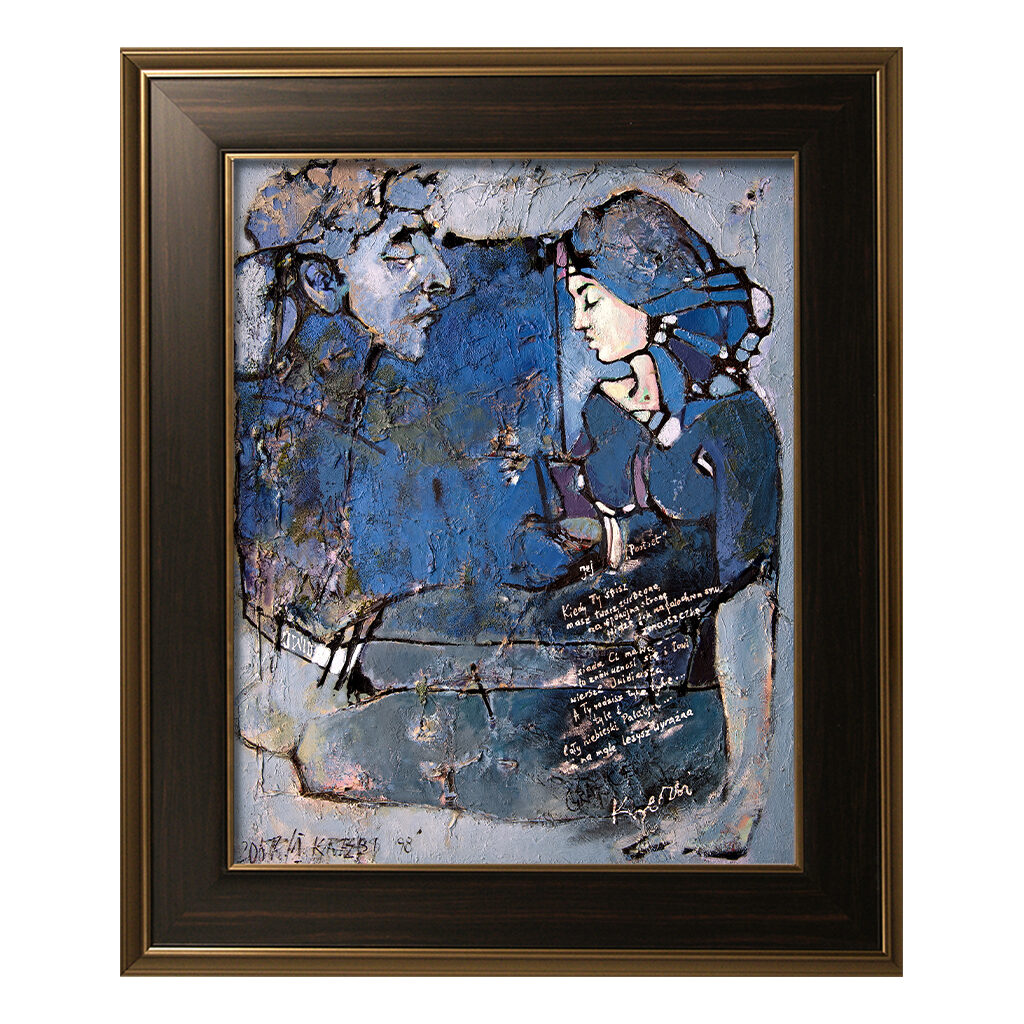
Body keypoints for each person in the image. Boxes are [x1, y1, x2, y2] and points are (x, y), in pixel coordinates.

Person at [529, 190, 782, 855]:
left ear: (645, 294)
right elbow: (611, 532)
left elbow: (748, 599)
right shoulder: (608, 405)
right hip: (623, 649)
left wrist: (747, 789)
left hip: (694, 678)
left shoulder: (736, 424)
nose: (579, 322)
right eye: (574, 302)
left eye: (591, 301)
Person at [234, 160, 452, 708]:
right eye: (401, 251)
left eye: (432, 248)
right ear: (322, 280)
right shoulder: (271, 429)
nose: (441, 278)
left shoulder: (352, 405)